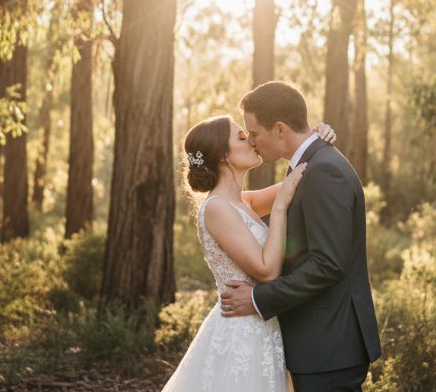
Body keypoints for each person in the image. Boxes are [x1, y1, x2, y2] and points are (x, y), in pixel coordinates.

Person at [220, 80, 381, 392]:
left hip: (329, 344)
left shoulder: (323, 170)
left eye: (254, 133)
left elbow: (328, 264)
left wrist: (256, 299)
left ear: (280, 129)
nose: (252, 142)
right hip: (319, 342)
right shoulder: (310, 165)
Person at [160, 114, 337, 392]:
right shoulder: (217, 208)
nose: (252, 142)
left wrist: (315, 137)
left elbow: (307, 172)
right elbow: (266, 270)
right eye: (242, 138)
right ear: (223, 156)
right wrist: (279, 209)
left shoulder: (245, 201)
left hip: (264, 326)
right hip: (239, 334)